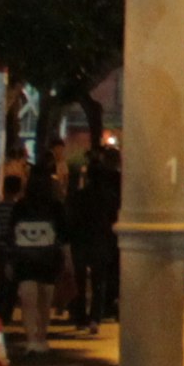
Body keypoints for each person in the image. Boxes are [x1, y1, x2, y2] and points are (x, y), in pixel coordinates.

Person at [0, 157, 65, 354]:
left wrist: (9, 260)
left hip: (24, 259)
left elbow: (11, 234)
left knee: (28, 301)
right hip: (48, 258)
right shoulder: (55, 206)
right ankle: (41, 337)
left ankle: (31, 339)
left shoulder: (21, 206)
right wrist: (66, 262)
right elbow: (64, 235)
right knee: (45, 301)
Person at [67, 133, 122, 331]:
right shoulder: (110, 197)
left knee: (81, 280)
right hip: (102, 240)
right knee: (100, 280)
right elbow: (114, 217)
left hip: (81, 240)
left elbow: (71, 218)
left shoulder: (79, 196)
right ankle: (95, 318)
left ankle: (80, 315)